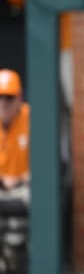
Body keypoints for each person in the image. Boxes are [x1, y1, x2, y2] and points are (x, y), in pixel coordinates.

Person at [0, 69, 30, 208]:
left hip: (25, 189)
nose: (3, 103)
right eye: (0, 97)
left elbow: (46, 167)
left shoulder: (32, 119)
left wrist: (19, 179)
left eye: (9, 97)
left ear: (19, 97)